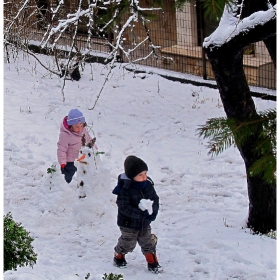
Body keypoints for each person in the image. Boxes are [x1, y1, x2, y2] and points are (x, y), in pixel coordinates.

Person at [112, 155, 161, 273]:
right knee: (129, 242)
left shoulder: (148, 185)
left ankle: (152, 261)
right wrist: (140, 214)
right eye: (140, 175)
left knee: (147, 241)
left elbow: (155, 199)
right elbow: (124, 207)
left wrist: (153, 212)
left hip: (145, 222)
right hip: (128, 223)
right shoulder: (125, 188)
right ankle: (119, 254)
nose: (144, 177)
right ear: (132, 176)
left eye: (145, 173)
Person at [57, 108, 92, 183]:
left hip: (81, 159)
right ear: (71, 125)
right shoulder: (65, 135)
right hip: (69, 162)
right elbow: (61, 150)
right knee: (67, 177)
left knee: (84, 175)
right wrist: (62, 163)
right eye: (77, 127)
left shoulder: (83, 130)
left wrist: (95, 152)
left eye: (81, 125)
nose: (79, 129)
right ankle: (64, 188)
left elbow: (89, 141)